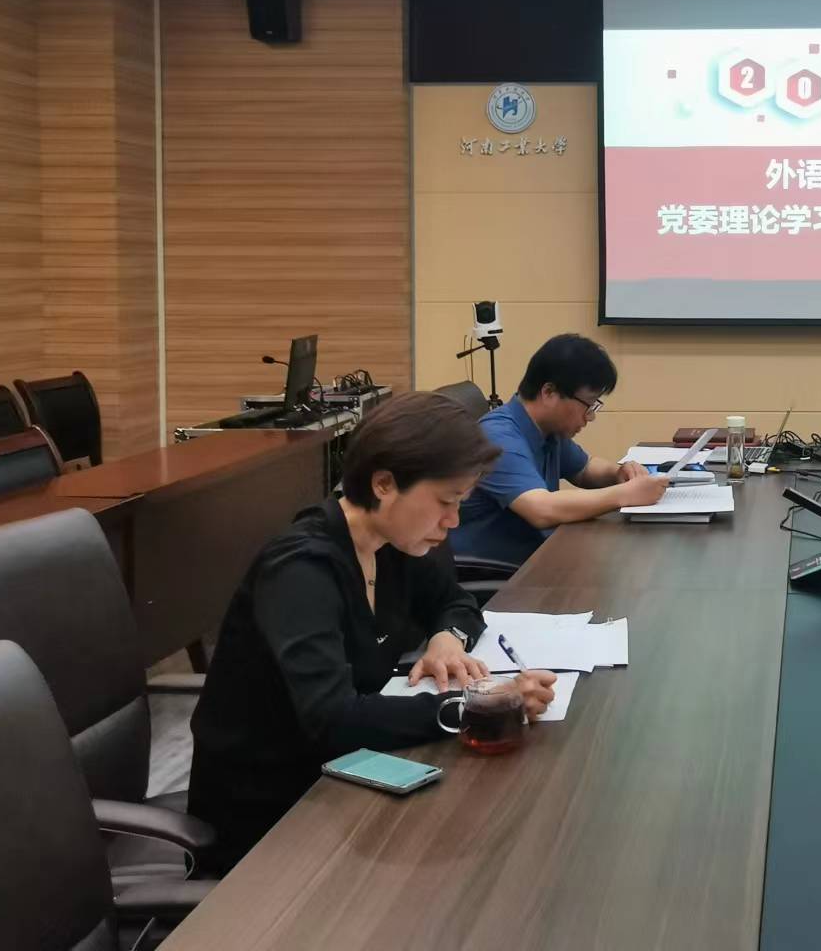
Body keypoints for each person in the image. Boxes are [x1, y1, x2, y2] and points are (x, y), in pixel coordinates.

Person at [188, 391, 558, 867]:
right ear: (384, 484)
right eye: (446, 501)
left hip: (347, 776)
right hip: (272, 813)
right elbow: (332, 719)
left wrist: (446, 638)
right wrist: (476, 708)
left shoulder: (394, 543)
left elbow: (456, 601)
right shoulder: (301, 569)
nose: (453, 521)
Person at [453, 333, 667, 565]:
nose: (591, 417)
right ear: (549, 393)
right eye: (588, 405)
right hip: (496, 570)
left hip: (536, 556)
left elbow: (584, 469)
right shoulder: (499, 436)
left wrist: (619, 472)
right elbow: (540, 509)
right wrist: (626, 494)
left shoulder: (547, 429)